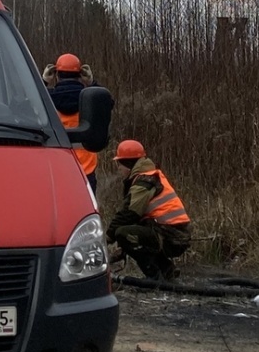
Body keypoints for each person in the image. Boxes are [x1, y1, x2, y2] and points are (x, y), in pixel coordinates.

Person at [107, 139, 192, 279]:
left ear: (128, 164)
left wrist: (108, 236)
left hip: (172, 236)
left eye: (119, 164)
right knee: (131, 231)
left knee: (123, 233)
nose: (118, 168)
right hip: (173, 233)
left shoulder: (144, 182)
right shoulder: (149, 176)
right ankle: (167, 270)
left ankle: (154, 277)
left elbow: (130, 214)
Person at [42, 53, 113, 193]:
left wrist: (42, 82)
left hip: (56, 168)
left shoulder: (46, 98)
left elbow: (21, 106)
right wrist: (92, 83)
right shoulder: (91, 98)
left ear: (56, 75)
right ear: (80, 75)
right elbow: (108, 103)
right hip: (86, 170)